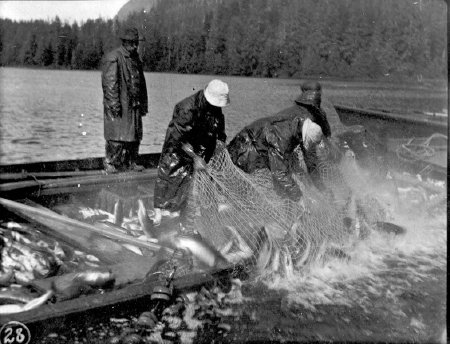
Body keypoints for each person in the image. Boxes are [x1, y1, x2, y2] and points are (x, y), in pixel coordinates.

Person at [227, 81, 332, 202]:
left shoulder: (306, 122)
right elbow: (279, 172)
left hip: (264, 142)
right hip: (246, 146)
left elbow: (310, 161)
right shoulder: (283, 134)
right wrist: (298, 197)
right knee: (248, 185)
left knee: (284, 180)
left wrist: (321, 188)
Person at [153, 79, 230, 227]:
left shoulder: (215, 110)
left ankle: (181, 223)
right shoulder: (187, 109)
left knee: (188, 195)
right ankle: (162, 221)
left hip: (198, 154)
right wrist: (195, 157)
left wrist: (219, 148)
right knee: (172, 189)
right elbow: (175, 140)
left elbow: (219, 134)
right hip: (176, 155)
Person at [101, 26, 148, 173]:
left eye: (136, 43)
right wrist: (113, 105)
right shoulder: (114, 57)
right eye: (132, 43)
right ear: (125, 42)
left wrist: (144, 104)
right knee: (116, 137)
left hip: (134, 105)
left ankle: (130, 163)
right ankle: (110, 163)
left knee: (135, 136)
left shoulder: (135, 60)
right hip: (119, 105)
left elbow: (142, 84)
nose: (135, 46)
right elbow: (110, 85)